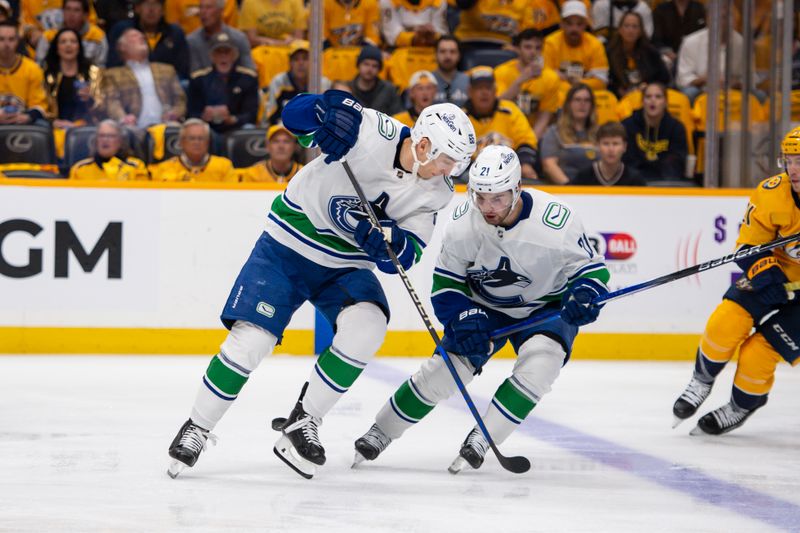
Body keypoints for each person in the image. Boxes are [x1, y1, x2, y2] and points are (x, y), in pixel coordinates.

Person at [166, 91, 476, 480]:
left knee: (369, 326)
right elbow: (293, 117)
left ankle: (304, 421)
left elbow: (408, 252)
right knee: (252, 341)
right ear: (425, 145)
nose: (451, 172)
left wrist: (389, 244)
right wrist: (324, 110)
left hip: (344, 266)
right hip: (289, 244)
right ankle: (197, 426)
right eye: (448, 161)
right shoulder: (371, 131)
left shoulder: (439, 191)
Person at [352, 144, 610, 472]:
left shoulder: (557, 221)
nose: (487, 208)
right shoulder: (463, 223)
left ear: (518, 188)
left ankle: (482, 439)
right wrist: (463, 317)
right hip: (483, 305)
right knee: (445, 371)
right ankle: (381, 431)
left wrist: (585, 295)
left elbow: (592, 271)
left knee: (542, 362)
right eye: (480, 196)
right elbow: (445, 286)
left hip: (544, 308)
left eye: (498, 198)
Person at [672, 127, 800, 436]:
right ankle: (702, 380)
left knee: (760, 351)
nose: (794, 169)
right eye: (790, 160)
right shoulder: (771, 193)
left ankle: (741, 405)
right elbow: (747, 248)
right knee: (725, 322)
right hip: (776, 274)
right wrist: (767, 277)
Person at [96, 28, 186, 128]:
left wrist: (175, 113)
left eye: (142, 36)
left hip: (166, 125)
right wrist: (123, 118)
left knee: (174, 129)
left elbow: (180, 99)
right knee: (126, 130)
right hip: (133, 126)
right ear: (122, 47)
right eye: (134, 36)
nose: (142, 37)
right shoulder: (112, 74)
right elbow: (112, 102)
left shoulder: (167, 70)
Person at [464, 67, 539, 182]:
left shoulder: (510, 110)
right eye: (479, 88)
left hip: (510, 171)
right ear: (470, 92)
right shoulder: (461, 118)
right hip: (473, 175)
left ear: (495, 90)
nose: (484, 93)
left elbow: (526, 139)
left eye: (488, 88)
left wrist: (525, 164)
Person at [494, 28, 561, 141]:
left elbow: (545, 116)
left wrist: (530, 142)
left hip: (533, 132)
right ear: (518, 49)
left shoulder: (550, 77)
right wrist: (520, 80)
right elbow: (496, 105)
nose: (533, 52)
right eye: (528, 47)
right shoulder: (501, 72)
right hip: (505, 130)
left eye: (538, 48)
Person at [187, 33, 259, 133]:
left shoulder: (248, 78)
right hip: (207, 129)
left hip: (237, 128)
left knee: (249, 128)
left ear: (234, 55)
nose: (223, 56)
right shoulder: (198, 79)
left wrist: (232, 119)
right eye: (218, 52)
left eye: (227, 52)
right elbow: (191, 113)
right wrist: (203, 116)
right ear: (212, 56)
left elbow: (251, 114)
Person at [106, 0, 190, 80]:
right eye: (146, 4)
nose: (151, 10)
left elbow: (182, 70)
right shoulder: (123, 30)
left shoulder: (175, 33)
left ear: (163, 10)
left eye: (156, 4)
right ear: (137, 8)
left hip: (168, 85)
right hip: (130, 84)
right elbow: (113, 66)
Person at [621, 82, 687, 182]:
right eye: (648, 97)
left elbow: (677, 160)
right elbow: (627, 160)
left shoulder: (676, 128)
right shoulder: (627, 125)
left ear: (665, 102)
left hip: (666, 182)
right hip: (635, 182)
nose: (653, 100)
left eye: (658, 97)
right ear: (642, 102)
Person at [543, 1, 609, 92]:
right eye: (569, 24)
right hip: (557, 95)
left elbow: (601, 82)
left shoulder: (595, 44)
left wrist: (576, 82)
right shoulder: (550, 43)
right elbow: (544, 78)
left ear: (585, 25)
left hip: (586, 96)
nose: (574, 29)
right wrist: (585, 82)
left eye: (579, 24)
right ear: (561, 24)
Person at [262, 40, 331, 126]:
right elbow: (270, 113)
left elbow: (328, 114)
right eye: (296, 59)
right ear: (290, 63)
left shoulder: (322, 83)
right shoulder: (279, 81)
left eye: (305, 58)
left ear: (313, 62)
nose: (300, 63)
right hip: (285, 129)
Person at [540, 83, 598, 185]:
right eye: (577, 100)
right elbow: (549, 165)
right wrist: (571, 188)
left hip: (599, 191)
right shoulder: (555, 132)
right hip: (567, 190)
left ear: (592, 105)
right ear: (568, 104)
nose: (582, 104)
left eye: (587, 100)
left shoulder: (600, 133)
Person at [605, 11, 670, 98]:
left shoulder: (651, 52)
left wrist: (648, 87)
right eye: (626, 26)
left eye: (635, 27)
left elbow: (664, 78)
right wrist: (617, 89)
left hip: (645, 97)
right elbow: (607, 80)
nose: (630, 30)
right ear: (620, 30)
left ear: (640, 31)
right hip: (618, 98)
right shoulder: (609, 52)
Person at [149, 119, 236, 181]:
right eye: (192, 138)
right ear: (181, 142)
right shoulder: (164, 168)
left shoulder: (224, 166)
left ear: (208, 142)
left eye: (201, 138)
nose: (196, 142)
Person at [0, 21, 48, 125]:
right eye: (1, 39)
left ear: (18, 41)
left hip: (23, 123)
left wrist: (27, 117)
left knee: (42, 125)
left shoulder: (32, 68)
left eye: (11, 39)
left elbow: (39, 105)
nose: (6, 44)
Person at [186, 0, 254, 73]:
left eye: (208, 7)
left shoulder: (239, 38)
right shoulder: (191, 41)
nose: (203, 12)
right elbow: (194, 75)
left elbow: (249, 71)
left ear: (221, 10)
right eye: (201, 8)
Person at [69, 119, 149, 180]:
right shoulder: (79, 169)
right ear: (96, 140)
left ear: (120, 141)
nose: (105, 140)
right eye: (102, 135)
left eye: (111, 136)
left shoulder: (136, 167)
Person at [35, 0, 108, 67]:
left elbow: (100, 68)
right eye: (68, 9)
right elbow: (40, 65)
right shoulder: (49, 36)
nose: (71, 14)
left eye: (76, 10)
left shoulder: (97, 36)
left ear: (85, 15)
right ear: (62, 12)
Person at [572, 121, 644, 186]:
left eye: (615, 144)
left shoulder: (634, 180)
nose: (611, 149)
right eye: (606, 144)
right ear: (598, 146)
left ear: (624, 147)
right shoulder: (584, 177)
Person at [651, 0, 705, 73]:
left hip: (694, 57)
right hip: (669, 58)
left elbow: (704, 35)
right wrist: (667, 52)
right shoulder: (661, 10)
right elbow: (656, 39)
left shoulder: (700, 9)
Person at [347, 46, 403, 116]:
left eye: (374, 66)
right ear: (358, 65)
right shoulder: (347, 88)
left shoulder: (389, 89)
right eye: (366, 64)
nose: (370, 69)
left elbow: (398, 115)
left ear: (379, 69)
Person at [380, 0, 447, 48]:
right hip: (399, 49)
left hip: (432, 47)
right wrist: (415, 38)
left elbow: (441, 34)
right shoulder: (387, 1)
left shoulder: (439, 1)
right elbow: (392, 37)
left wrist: (432, 36)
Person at [239, 0, 306, 48]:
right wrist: (277, 43)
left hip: (290, 49)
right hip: (262, 51)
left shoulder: (296, 1)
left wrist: (292, 40)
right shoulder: (249, 2)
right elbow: (251, 38)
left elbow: (299, 37)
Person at [432, 35, 468, 107]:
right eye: (442, 51)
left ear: (459, 55)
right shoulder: (425, 81)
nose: (448, 56)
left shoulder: (469, 82)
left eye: (452, 52)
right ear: (435, 55)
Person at [165, 0, 237, 36]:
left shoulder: (229, 1)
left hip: (222, 47)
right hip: (189, 48)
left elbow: (232, 33)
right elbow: (172, 32)